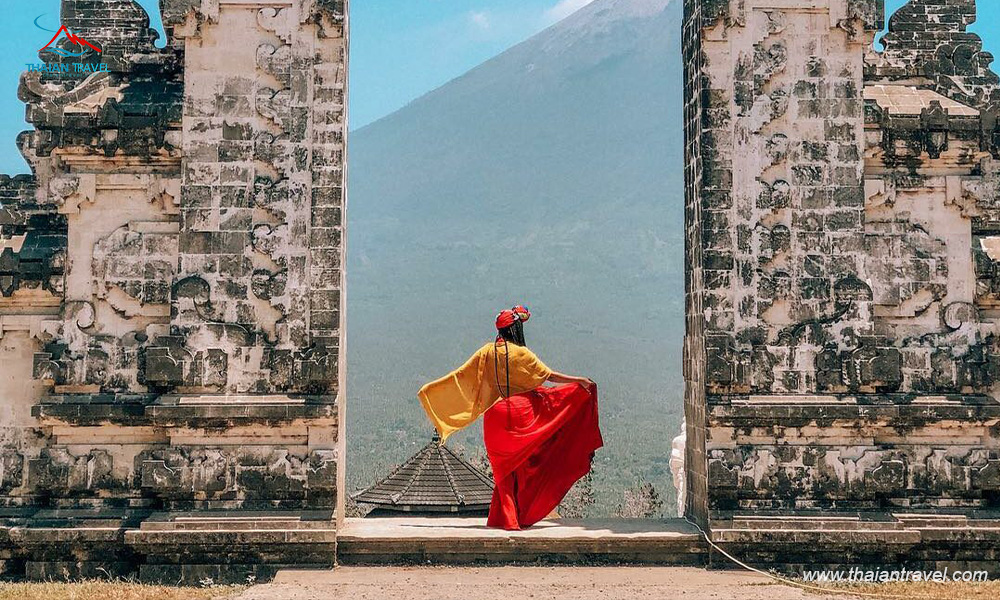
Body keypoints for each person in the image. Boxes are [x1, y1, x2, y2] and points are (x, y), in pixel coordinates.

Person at [418, 305, 603, 530]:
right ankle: (519, 515)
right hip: (521, 415)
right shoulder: (522, 354)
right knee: (527, 465)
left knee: (503, 472)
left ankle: (505, 518)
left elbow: (460, 376)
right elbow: (549, 376)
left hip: (494, 417)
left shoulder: (486, 352)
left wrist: (432, 392)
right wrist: (579, 381)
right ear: (516, 330)